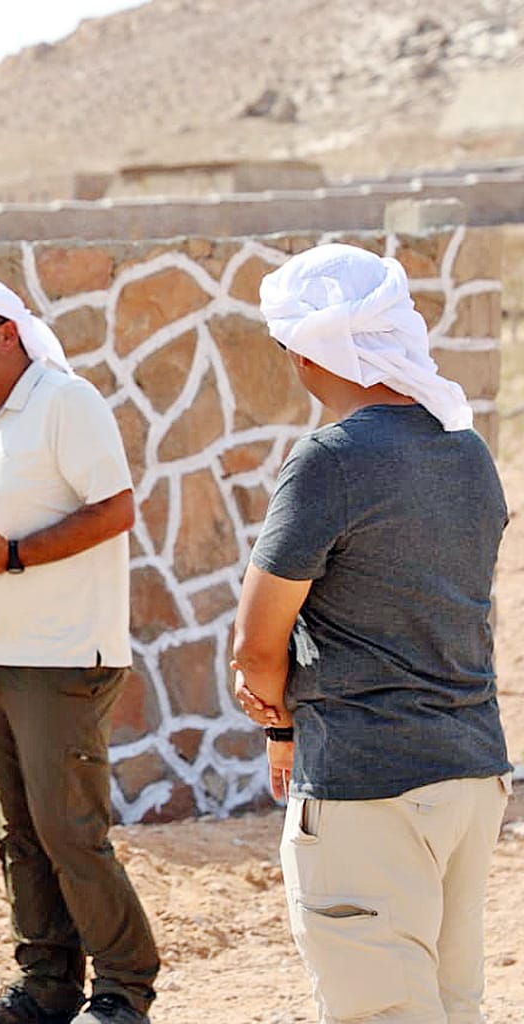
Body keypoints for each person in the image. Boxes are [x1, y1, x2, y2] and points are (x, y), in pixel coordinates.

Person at [232, 243, 513, 1024]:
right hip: (471, 775)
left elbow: (256, 647)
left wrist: (279, 726)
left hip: (368, 785)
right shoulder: (469, 452)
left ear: (309, 350)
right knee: (451, 1008)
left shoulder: (330, 460)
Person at [0, 277, 159, 1024]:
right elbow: (1, 529)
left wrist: (12, 557)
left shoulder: (66, 401)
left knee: (68, 833)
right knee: (18, 833)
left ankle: (123, 991)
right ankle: (47, 988)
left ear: (8, 332)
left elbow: (116, 509)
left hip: (63, 656)